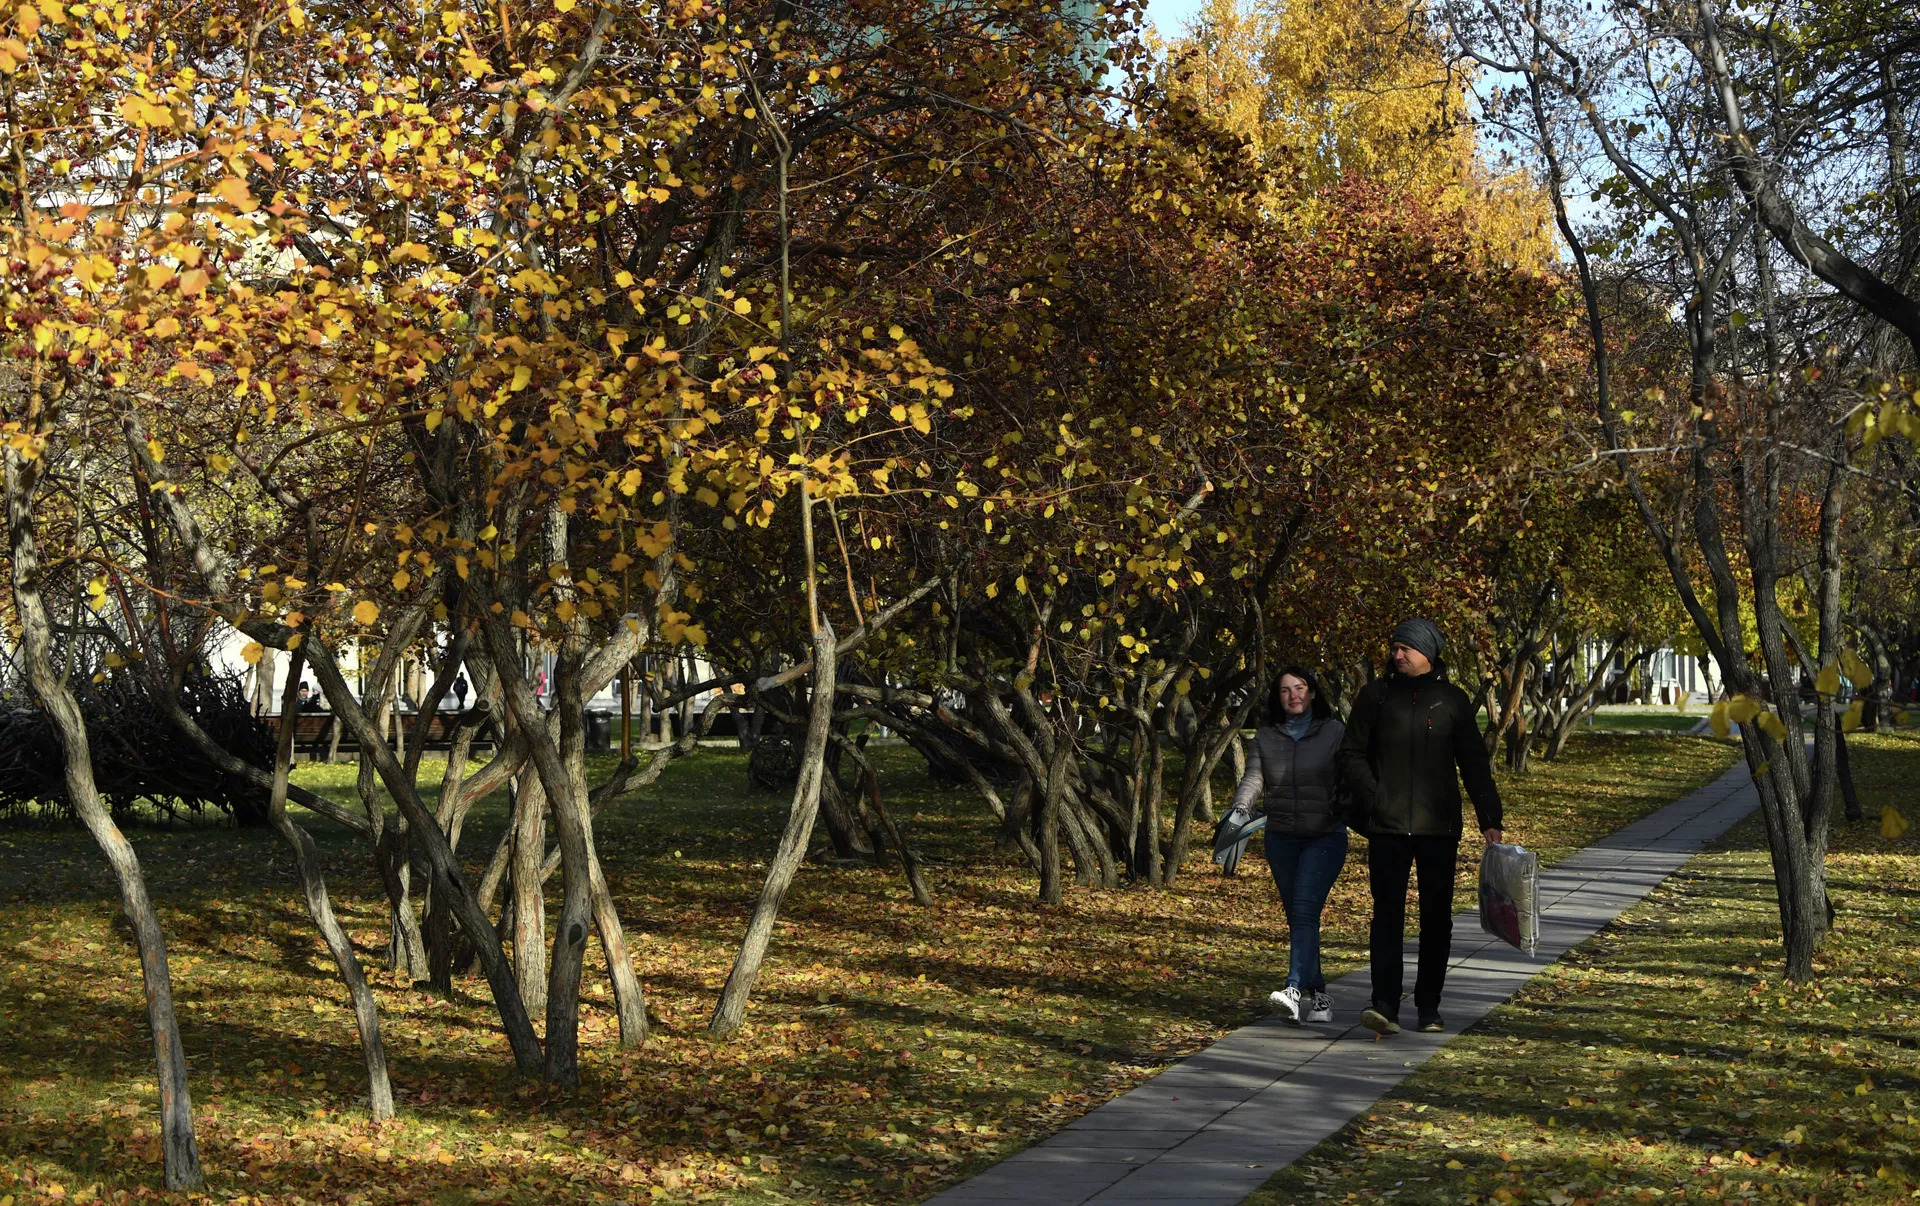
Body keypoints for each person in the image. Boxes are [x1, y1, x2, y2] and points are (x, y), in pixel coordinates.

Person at [1338, 618, 1503, 1037]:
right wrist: (1374, 796)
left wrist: (1490, 818)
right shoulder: (1375, 696)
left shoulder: (1452, 700)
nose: (1397, 655)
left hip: (1438, 829)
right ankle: (1384, 1004)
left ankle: (1429, 1006)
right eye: (1394, 647)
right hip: (1386, 827)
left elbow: (1473, 762)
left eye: (1405, 649)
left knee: (1436, 919)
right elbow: (1351, 752)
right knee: (1387, 916)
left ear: (1428, 653)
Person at [1230, 665, 1348, 1026]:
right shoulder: (1266, 737)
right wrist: (1241, 807)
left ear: (1311, 692)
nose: (1293, 695)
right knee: (1299, 918)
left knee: (1304, 911)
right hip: (1281, 837)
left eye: (1299, 688)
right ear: (1277, 697)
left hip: (1324, 835)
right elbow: (1254, 777)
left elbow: (1352, 776)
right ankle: (1321, 997)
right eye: (1285, 690)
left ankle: (1293, 991)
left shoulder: (1333, 732)